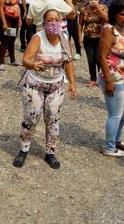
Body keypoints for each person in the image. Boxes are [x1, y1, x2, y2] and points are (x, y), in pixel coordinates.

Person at [13, 9, 77, 169]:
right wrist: (32, 64)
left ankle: (50, 152)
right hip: (35, 86)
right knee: (30, 119)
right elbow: (25, 59)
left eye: (56, 19)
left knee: (53, 120)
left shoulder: (64, 38)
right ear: (44, 22)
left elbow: (68, 62)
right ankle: (23, 149)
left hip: (56, 86)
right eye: (50, 20)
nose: (54, 23)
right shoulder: (37, 38)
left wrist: (73, 84)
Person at [98, 0, 124, 157]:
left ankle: (117, 139)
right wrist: (109, 81)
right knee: (115, 114)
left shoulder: (123, 29)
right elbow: (102, 56)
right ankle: (110, 147)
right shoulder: (109, 30)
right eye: (122, 14)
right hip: (113, 77)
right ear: (114, 14)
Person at [79, 0, 108, 87]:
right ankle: (93, 79)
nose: (94, 1)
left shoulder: (103, 7)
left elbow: (106, 19)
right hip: (88, 38)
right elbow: (80, 24)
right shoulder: (84, 9)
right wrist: (80, 37)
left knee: (99, 59)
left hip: (100, 38)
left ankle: (101, 78)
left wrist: (98, 8)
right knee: (91, 59)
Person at [0, 0, 22, 70]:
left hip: (15, 20)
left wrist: (19, 19)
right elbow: (1, 9)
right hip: (8, 19)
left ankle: (13, 59)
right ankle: (2, 62)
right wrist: (4, 23)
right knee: (5, 40)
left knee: (12, 40)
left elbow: (17, 6)